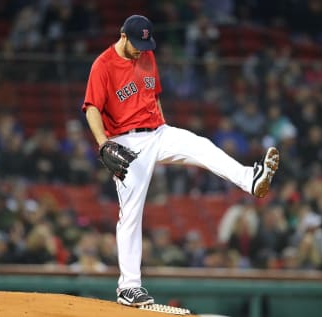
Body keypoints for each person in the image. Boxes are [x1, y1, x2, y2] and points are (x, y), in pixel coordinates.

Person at [82, 14, 279, 307]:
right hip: (125, 141)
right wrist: (103, 145)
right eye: (136, 42)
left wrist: (163, 128)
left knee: (201, 145)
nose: (141, 48)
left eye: (144, 43)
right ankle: (129, 287)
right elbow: (91, 109)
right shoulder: (103, 64)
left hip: (158, 132)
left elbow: (154, 95)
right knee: (131, 213)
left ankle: (250, 179)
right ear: (123, 35)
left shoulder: (147, 54)